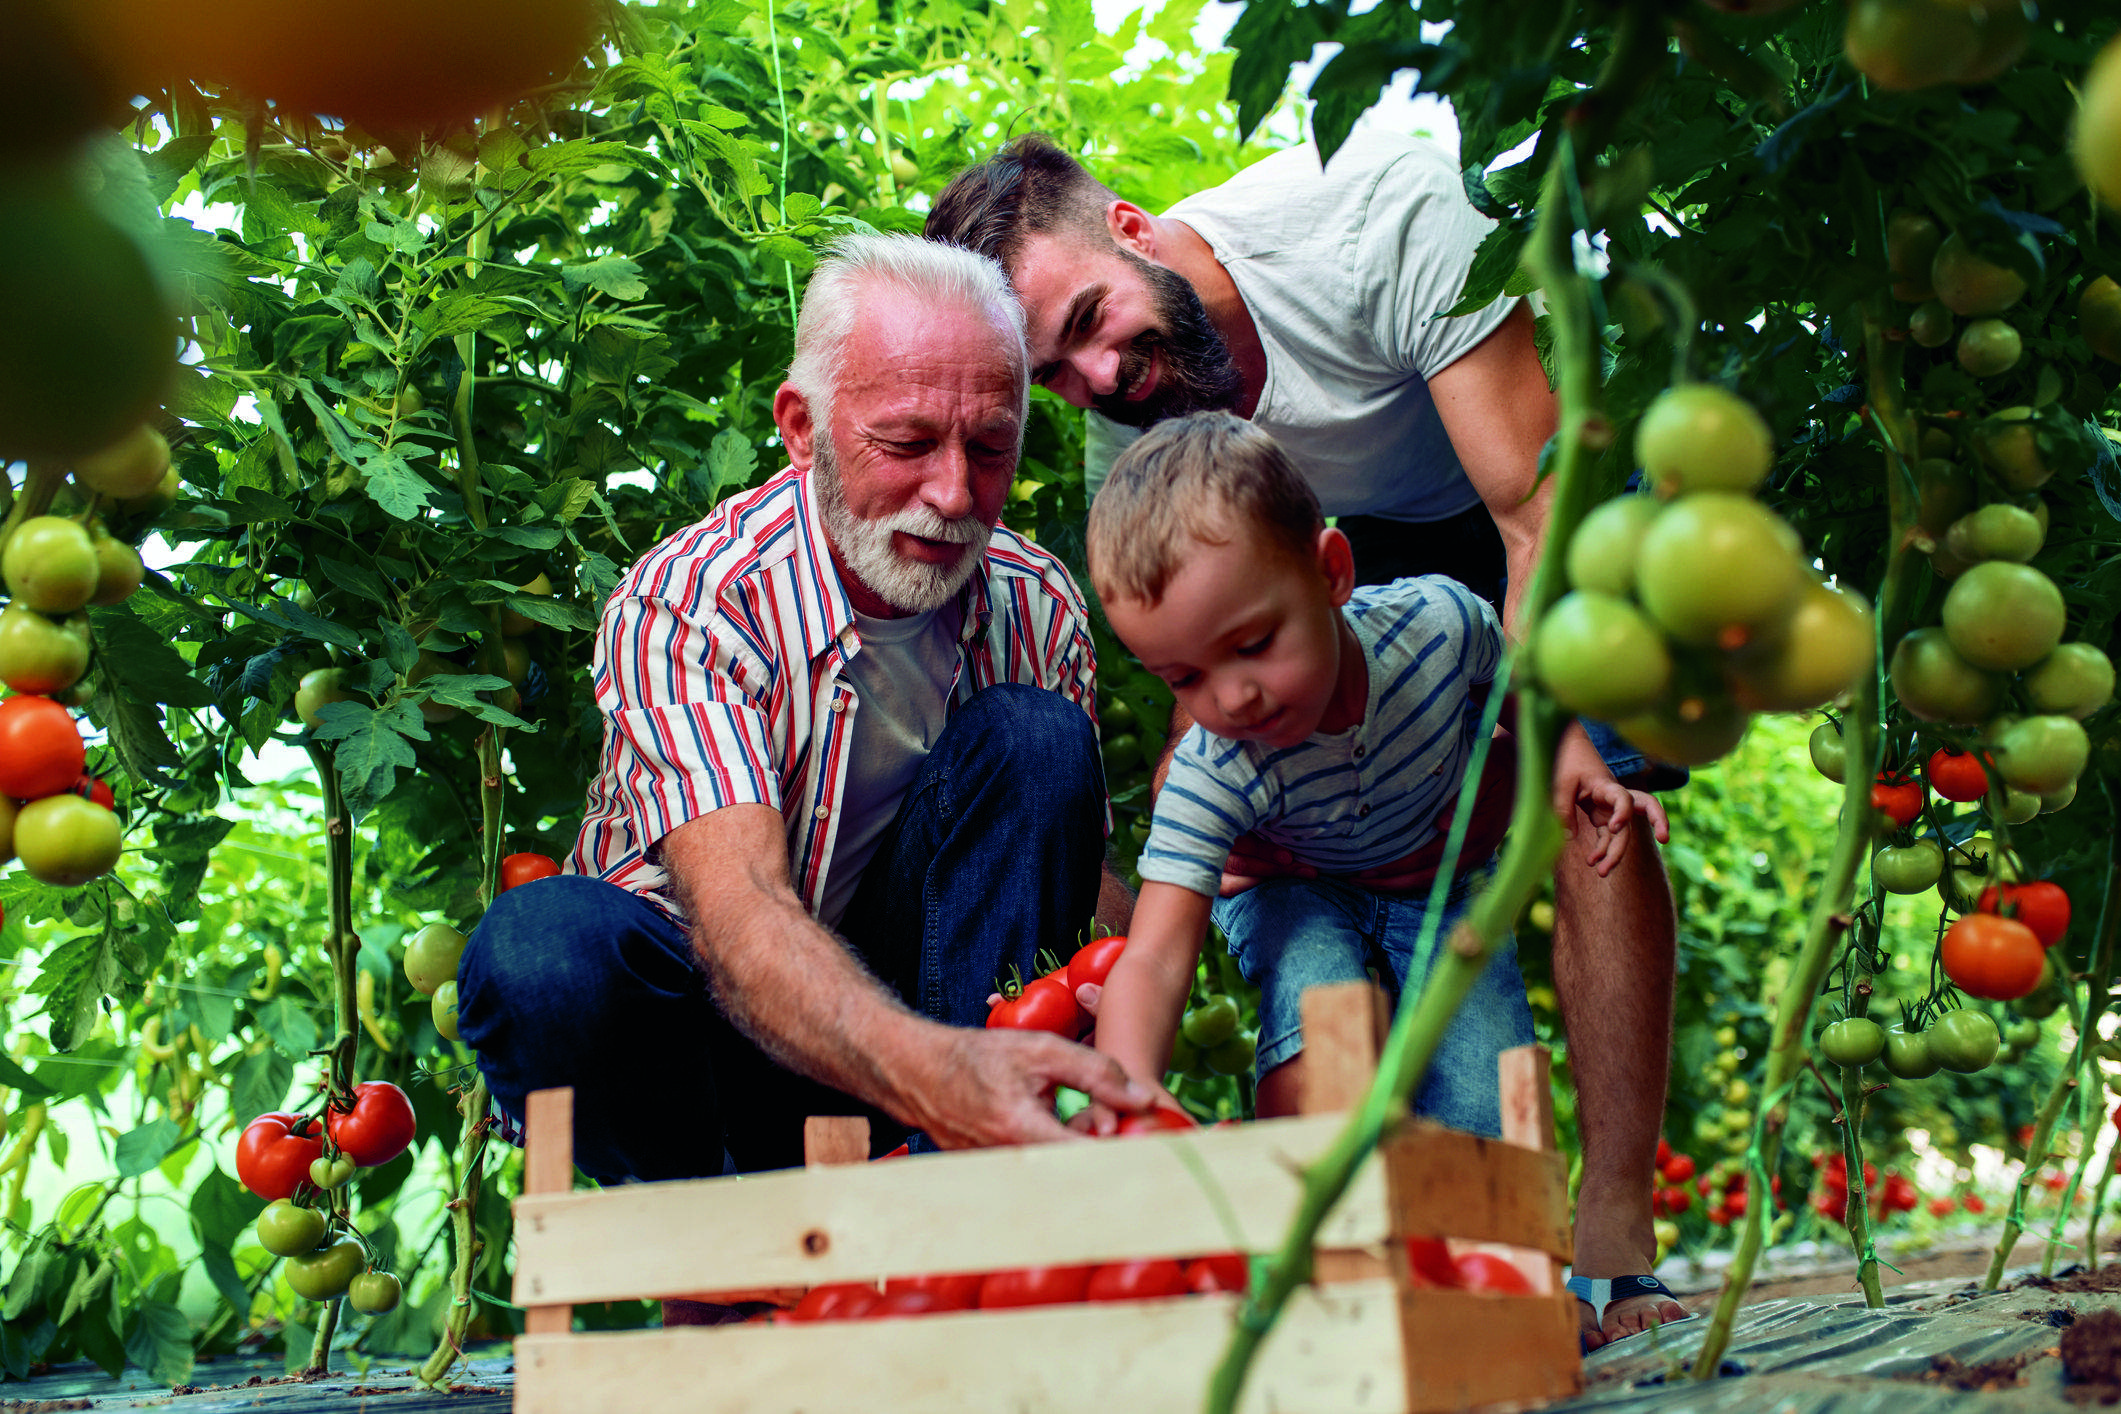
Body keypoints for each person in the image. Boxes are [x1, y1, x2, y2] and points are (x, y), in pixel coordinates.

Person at [927, 126, 1685, 1347]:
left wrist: (1566, 753)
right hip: (1319, 548)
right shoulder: (1139, 410)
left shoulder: (1380, 215)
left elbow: (1533, 523)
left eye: (1088, 325)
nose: (1099, 379)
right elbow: (1198, 665)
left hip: (1524, 481)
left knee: (1597, 794)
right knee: (1274, 830)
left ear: (1130, 225)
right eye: (1054, 378)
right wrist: (1165, 900)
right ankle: (1394, 1257)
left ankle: (1615, 1239)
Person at [456, 234, 1151, 1222]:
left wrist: (1167, 932)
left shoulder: (1036, 602)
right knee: (540, 952)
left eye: (991, 446)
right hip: (709, 1054)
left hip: (932, 1035)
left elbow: (1069, 884)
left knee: (1038, 741)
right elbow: (739, 916)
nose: (955, 495)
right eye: (907, 444)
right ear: (801, 426)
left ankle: (966, 1218)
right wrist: (946, 1069)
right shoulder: (694, 601)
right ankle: (713, 1261)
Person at [1083, 411, 1643, 1139]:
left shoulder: (1438, 625)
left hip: (1436, 889)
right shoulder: (1210, 771)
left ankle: (1493, 1247)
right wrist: (1125, 1095)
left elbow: (1520, 690)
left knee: (1487, 1109)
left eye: (1253, 643)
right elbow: (1155, 958)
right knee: (1323, 1024)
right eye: (1183, 677)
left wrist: (1579, 764)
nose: (1230, 698)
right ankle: (1314, 1219)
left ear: (1331, 573)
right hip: (1295, 892)